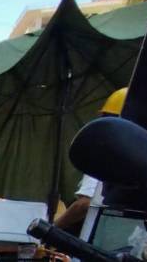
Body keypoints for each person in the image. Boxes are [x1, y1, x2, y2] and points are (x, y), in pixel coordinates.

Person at [53, 88, 126, 234]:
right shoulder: (142, 157)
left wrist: (53, 228)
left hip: (102, 239)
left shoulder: (106, 156)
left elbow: (84, 205)